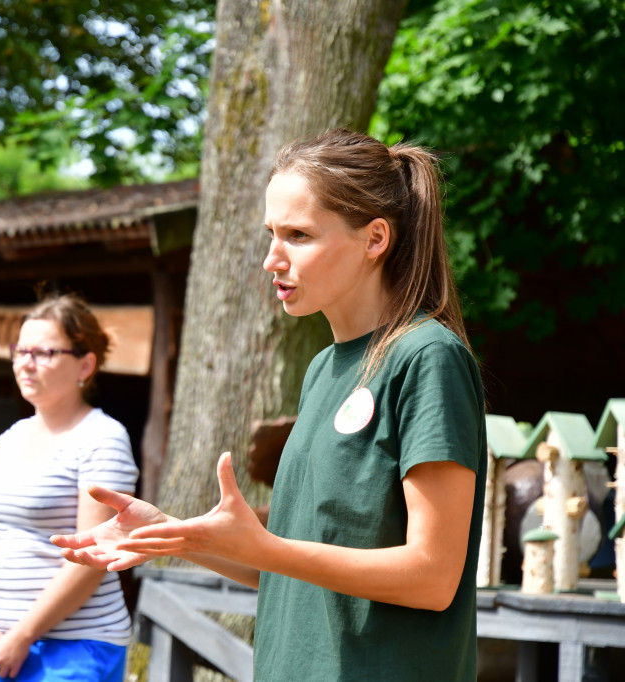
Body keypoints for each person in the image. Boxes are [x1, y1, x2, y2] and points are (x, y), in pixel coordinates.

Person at [53, 128, 487, 681]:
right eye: (271, 234)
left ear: (375, 238)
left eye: (298, 235)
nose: (271, 259)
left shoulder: (428, 357)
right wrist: (176, 535)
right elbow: (294, 565)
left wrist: (264, 548)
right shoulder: (324, 370)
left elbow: (432, 577)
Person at [0, 293, 139, 681]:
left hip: (74, 649)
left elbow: (91, 556)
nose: (26, 362)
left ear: (85, 363)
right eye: (20, 350)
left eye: (43, 352)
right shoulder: (8, 439)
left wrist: (23, 634)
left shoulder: (102, 437)